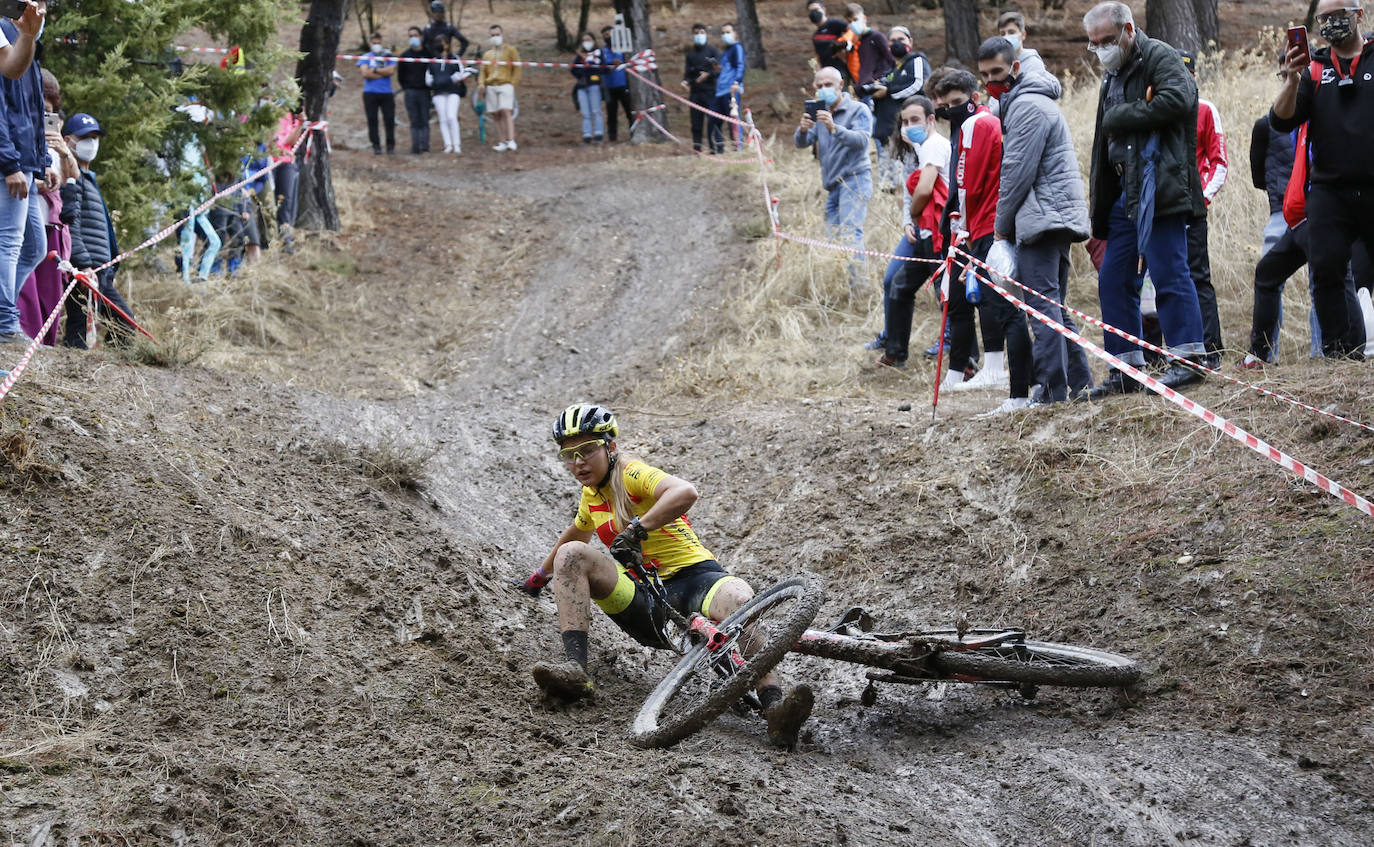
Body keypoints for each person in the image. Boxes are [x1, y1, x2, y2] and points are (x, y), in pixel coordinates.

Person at [512, 405, 816, 750]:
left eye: (587, 450)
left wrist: (639, 528)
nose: (578, 462)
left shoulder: (632, 474)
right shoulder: (590, 495)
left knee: (740, 600)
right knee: (572, 555)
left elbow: (685, 492)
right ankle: (575, 671)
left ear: (610, 447)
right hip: (644, 598)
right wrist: (539, 577)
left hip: (696, 579)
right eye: (568, 455)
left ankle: (774, 707)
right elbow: (575, 537)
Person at [1083, 2, 1208, 397]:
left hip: (1159, 185)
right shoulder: (1112, 73)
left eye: (1106, 40)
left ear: (1129, 30)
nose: (1101, 49)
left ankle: (1187, 359)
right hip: (1123, 191)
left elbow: (1181, 99)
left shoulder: (1160, 55)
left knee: (1170, 271)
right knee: (1114, 279)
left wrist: (1123, 116)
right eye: (1094, 43)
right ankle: (1125, 368)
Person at [977, 37, 1094, 405]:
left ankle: (1049, 391)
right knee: (1052, 306)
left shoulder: (1026, 106)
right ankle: (1080, 383)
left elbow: (1015, 175)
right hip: (1049, 214)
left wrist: (1000, 229)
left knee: (1040, 308)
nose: (990, 81)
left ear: (1015, 68)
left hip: (1043, 217)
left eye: (997, 72)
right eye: (984, 75)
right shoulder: (1025, 101)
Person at [1269, 0, 1372, 359]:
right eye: (1323, 18)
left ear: (1358, 14)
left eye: (1338, 16)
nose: (1330, 24)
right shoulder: (1315, 67)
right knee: (1326, 268)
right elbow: (1282, 121)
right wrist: (1290, 79)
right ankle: (1340, 354)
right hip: (1329, 189)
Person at [930, 68, 1028, 407]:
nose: (951, 109)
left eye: (957, 102)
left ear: (973, 98)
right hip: (984, 223)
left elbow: (966, 183)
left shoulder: (978, 124)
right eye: (945, 104)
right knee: (978, 298)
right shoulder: (973, 125)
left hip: (986, 225)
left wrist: (965, 227)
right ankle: (995, 371)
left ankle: (1005, 375)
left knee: (998, 302)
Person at [876, 97, 949, 369]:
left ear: (931, 119)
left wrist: (916, 216)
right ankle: (895, 353)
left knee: (947, 295)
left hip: (941, 231)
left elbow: (925, 189)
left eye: (915, 120)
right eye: (905, 121)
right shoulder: (912, 150)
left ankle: (965, 360)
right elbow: (910, 193)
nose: (908, 126)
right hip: (923, 231)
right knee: (898, 285)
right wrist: (910, 222)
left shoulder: (935, 146)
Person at [59, 113, 134, 348]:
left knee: (124, 323)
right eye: (84, 138)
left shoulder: (89, 179)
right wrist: (83, 265)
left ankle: (113, 374)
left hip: (100, 271)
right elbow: (71, 224)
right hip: (85, 270)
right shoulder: (73, 179)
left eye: (95, 137)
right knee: (80, 331)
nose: (91, 143)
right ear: (68, 140)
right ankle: (71, 377)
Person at [794, 65, 873, 288]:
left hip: (855, 180)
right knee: (834, 237)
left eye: (828, 85)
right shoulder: (818, 112)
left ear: (841, 85)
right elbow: (801, 143)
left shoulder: (858, 110)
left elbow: (862, 141)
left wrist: (834, 127)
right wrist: (802, 129)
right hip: (832, 185)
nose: (824, 89)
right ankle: (842, 286)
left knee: (850, 235)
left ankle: (860, 289)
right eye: (819, 86)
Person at [0, 4, 47, 347]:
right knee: (9, 242)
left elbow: (28, 105)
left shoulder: (20, 37)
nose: (40, 8)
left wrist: (40, 162)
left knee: (34, 246)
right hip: (10, 161)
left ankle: (3, 316)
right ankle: (4, 323)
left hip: (25, 161)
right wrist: (8, 162)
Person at [18, 66, 75, 345]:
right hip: (22, 219)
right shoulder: (15, 129)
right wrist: (36, 182)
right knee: (25, 289)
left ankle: (44, 345)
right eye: (40, 107)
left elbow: (74, 179)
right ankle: (25, 339)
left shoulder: (54, 141)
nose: (45, 116)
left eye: (50, 110)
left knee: (49, 294)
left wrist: (64, 153)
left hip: (51, 223)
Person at [1178, 50, 1227, 369]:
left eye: (1186, 75)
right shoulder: (1159, 108)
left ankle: (1212, 349)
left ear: (1194, 76)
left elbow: (1219, 163)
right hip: (1161, 212)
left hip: (1193, 210)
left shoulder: (1206, 109)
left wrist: (1202, 198)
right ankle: (1177, 347)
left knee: (1198, 277)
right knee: (1165, 280)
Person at [872, 26, 930, 191]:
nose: (897, 44)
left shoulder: (917, 60)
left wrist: (888, 92)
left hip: (910, 131)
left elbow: (918, 84)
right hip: (886, 132)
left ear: (910, 42)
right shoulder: (890, 69)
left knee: (909, 177)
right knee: (888, 183)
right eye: (892, 41)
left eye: (901, 40)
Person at [839, 4, 894, 110]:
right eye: (849, 22)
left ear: (864, 18)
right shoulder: (858, 43)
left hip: (877, 88)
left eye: (855, 19)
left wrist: (884, 80)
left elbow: (891, 61)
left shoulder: (877, 37)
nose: (853, 24)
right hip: (863, 90)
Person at [477, 24, 522, 152]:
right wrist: (481, 84)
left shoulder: (510, 50)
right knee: (495, 114)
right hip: (491, 85)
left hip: (505, 84)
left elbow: (517, 67)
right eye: (492, 35)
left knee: (505, 110)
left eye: (497, 34)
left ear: (502, 34)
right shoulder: (487, 54)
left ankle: (511, 140)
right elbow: (483, 71)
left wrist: (512, 83)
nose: (495, 37)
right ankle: (502, 141)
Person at [681, 23, 720, 153]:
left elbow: (719, 70)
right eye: (696, 33)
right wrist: (685, 82)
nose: (699, 36)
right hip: (695, 93)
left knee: (712, 121)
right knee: (696, 123)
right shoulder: (690, 55)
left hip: (710, 91)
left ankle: (713, 148)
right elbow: (687, 73)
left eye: (702, 32)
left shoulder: (713, 51)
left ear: (706, 34)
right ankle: (697, 148)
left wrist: (708, 75)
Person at [708, 22, 746, 154]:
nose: (725, 35)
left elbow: (741, 66)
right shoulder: (725, 52)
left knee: (733, 121)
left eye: (728, 32)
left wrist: (737, 82)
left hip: (730, 90)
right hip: (720, 91)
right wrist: (718, 69)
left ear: (735, 34)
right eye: (723, 33)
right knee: (713, 120)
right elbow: (725, 69)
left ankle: (738, 149)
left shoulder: (737, 48)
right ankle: (719, 149)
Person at [271, 105, 305, 252]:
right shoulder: (273, 113)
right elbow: (273, 141)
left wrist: (301, 124)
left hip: (286, 162)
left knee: (287, 200)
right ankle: (268, 237)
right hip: (270, 162)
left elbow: (290, 141)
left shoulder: (291, 117)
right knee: (269, 200)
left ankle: (285, 239)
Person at [357, 32, 397, 155]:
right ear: (370, 44)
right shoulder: (365, 57)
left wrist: (373, 70)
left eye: (378, 43)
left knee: (389, 119)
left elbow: (391, 71)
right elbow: (365, 73)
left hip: (387, 92)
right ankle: (376, 145)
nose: (376, 45)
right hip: (370, 93)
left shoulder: (388, 55)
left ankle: (390, 145)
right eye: (374, 43)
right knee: (372, 119)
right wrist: (381, 73)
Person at [427, 38, 468, 154]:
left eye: (443, 43)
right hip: (438, 93)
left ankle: (457, 144)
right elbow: (428, 78)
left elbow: (461, 73)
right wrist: (435, 82)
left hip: (452, 92)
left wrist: (450, 79)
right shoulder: (433, 61)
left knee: (451, 116)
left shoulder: (455, 59)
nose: (441, 46)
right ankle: (448, 144)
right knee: (443, 118)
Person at [398, 27, 433, 155]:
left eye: (415, 35)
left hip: (424, 92)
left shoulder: (428, 53)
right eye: (410, 35)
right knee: (414, 120)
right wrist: (407, 87)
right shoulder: (405, 55)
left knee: (424, 119)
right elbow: (400, 76)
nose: (413, 38)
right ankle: (415, 147)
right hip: (410, 92)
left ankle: (425, 147)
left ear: (421, 37)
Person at [599, 26, 632, 143]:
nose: (607, 38)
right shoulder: (602, 52)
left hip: (623, 85)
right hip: (609, 87)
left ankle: (634, 132)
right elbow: (600, 69)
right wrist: (609, 68)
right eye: (605, 36)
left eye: (609, 35)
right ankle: (612, 137)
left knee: (629, 111)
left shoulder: (624, 50)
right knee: (611, 113)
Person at [571, 32, 606, 144]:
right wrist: (582, 73)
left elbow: (600, 69)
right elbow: (573, 69)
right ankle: (587, 136)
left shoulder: (598, 53)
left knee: (596, 111)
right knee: (585, 113)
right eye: (584, 40)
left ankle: (598, 134)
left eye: (588, 39)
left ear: (594, 40)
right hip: (582, 86)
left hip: (594, 85)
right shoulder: (580, 55)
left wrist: (587, 69)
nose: (586, 42)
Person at [808, 2, 849, 74]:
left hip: (841, 70)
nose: (813, 13)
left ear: (824, 10)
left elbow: (853, 32)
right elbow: (818, 55)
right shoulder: (815, 35)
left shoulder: (834, 24)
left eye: (816, 9)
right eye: (811, 11)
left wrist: (845, 49)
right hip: (826, 72)